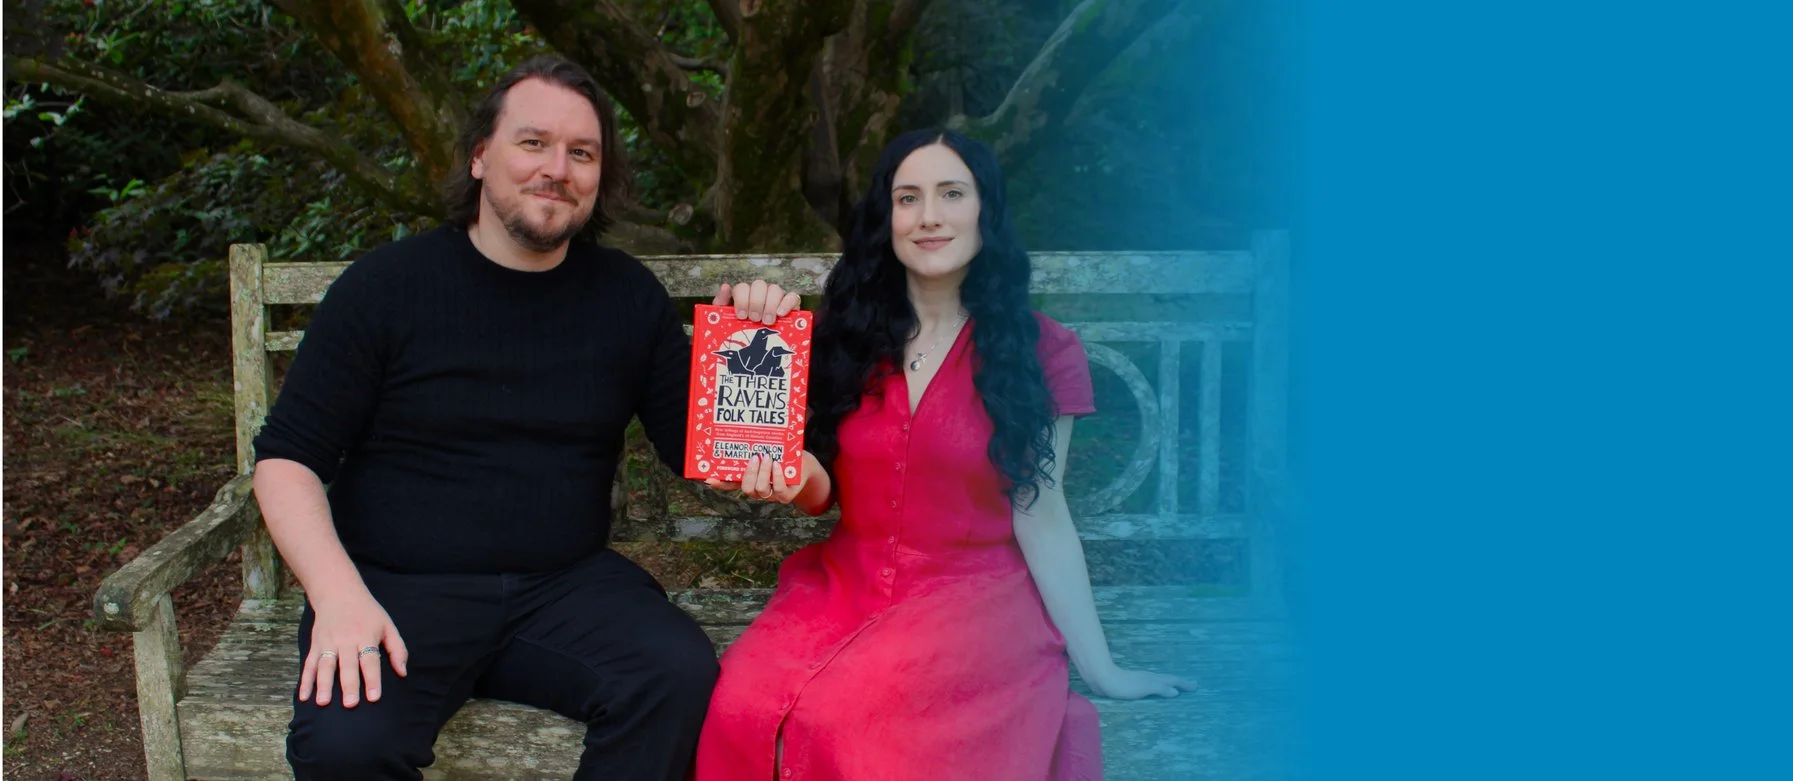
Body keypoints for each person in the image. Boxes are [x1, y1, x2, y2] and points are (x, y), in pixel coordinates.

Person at [250, 55, 796, 780]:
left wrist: (754, 340)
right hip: (397, 589)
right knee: (347, 748)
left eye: (582, 152)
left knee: (674, 675)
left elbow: (706, 448)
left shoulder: (624, 297)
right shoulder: (385, 287)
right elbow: (287, 458)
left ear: (600, 177)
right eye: (533, 143)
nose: (557, 169)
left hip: (565, 588)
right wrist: (338, 596)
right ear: (480, 156)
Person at [691, 128, 1195, 780]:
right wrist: (750, 335)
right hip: (841, 586)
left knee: (847, 730)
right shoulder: (849, 338)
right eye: (908, 198)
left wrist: (1103, 668)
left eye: (951, 193)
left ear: (985, 210)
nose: (929, 215)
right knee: (739, 703)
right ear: (887, 219)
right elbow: (823, 489)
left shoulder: (1040, 351)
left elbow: (1041, 516)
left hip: (972, 603)